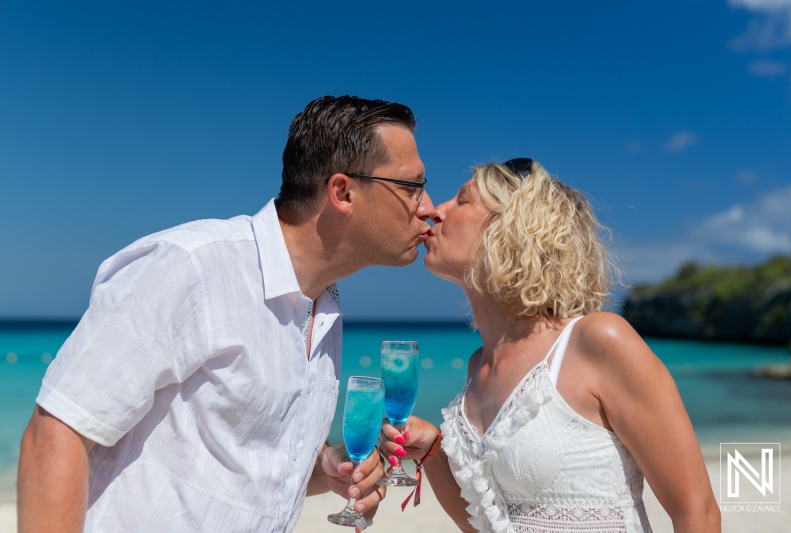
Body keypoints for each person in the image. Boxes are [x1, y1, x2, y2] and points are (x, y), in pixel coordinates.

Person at [17, 95, 434, 532]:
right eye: (411, 187)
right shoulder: (189, 266)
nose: (426, 207)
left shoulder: (324, 308)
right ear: (343, 192)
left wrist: (327, 464)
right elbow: (57, 432)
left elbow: (261, 465)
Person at [380, 159, 720, 532]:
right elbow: (490, 522)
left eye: (462, 200)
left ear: (511, 227)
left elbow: (696, 511)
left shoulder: (597, 341)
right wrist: (431, 448)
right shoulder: (478, 366)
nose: (434, 211)